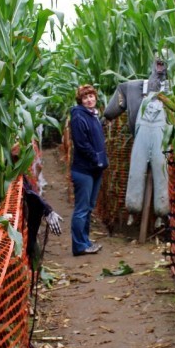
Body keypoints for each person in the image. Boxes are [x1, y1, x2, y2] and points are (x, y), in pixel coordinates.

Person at [104, 57, 171, 225]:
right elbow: (115, 103)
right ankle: (133, 210)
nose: (159, 68)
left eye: (162, 65)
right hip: (142, 134)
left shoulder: (173, 88)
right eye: (158, 64)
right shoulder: (135, 87)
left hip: (162, 136)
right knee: (136, 170)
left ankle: (162, 213)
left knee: (161, 172)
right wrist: (107, 115)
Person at [69, 84, 108, 255]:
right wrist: (96, 159)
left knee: (88, 207)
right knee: (82, 209)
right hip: (84, 170)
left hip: (94, 169)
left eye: (91, 96)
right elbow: (81, 144)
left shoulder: (92, 115)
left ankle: (85, 242)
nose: (89, 99)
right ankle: (79, 246)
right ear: (81, 101)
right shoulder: (79, 116)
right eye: (85, 98)